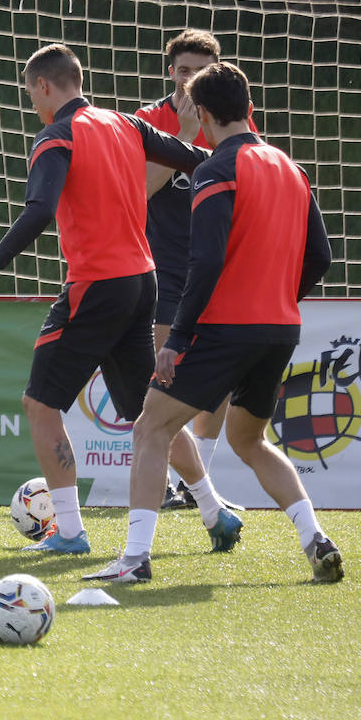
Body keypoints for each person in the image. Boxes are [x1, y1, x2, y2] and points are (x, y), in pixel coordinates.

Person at [84, 62, 341, 584]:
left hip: (226, 328)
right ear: (250, 106)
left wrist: (177, 339)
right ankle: (315, 538)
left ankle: (134, 559)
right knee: (251, 441)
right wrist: (281, 299)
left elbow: (205, 264)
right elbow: (321, 258)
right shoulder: (291, 168)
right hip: (280, 328)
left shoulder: (215, 172)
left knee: (151, 427)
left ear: (200, 113)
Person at [0, 43, 207, 554]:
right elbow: (195, 157)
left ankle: (69, 533)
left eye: (30, 92)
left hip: (96, 285)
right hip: (144, 282)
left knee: (40, 403)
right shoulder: (126, 124)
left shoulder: (56, 137)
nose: (32, 102)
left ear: (44, 87)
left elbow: (38, 211)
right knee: (148, 409)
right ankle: (213, 509)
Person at [136, 29, 252, 512]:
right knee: (165, 377)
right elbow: (138, 190)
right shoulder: (147, 120)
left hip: (219, 266)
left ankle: (196, 485)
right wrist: (182, 136)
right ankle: (163, 484)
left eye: (199, 72)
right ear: (170, 72)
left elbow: (252, 176)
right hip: (163, 266)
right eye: (183, 71)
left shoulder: (231, 119)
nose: (189, 82)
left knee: (218, 382)